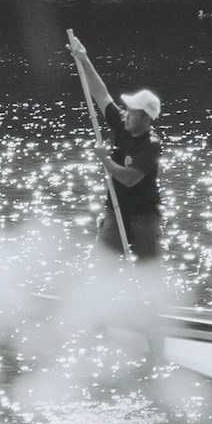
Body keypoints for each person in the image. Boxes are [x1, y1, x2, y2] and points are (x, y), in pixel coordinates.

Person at [66, 34, 163, 261]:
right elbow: (101, 95)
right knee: (102, 265)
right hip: (115, 208)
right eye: (127, 110)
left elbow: (129, 178)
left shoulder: (151, 145)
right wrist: (84, 59)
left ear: (146, 118)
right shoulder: (122, 124)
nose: (126, 114)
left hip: (143, 216)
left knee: (148, 271)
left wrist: (105, 160)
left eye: (132, 112)